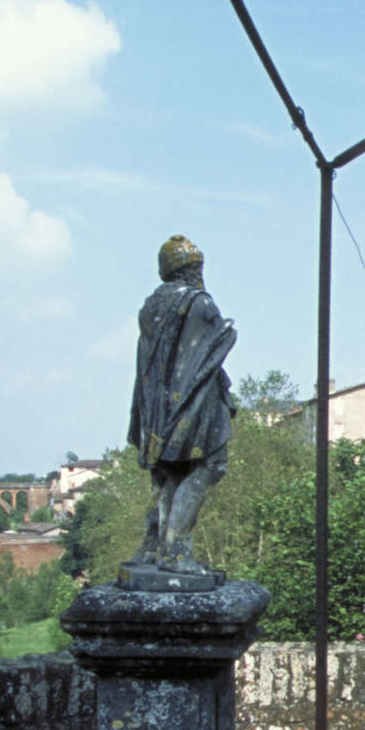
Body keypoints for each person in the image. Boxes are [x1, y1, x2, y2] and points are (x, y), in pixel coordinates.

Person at [127, 235, 236, 573]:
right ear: (190, 270)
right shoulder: (199, 303)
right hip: (191, 402)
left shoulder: (150, 307)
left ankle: (151, 547)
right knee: (209, 465)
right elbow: (205, 358)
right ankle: (175, 551)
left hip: (154, 409)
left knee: (169, 474)